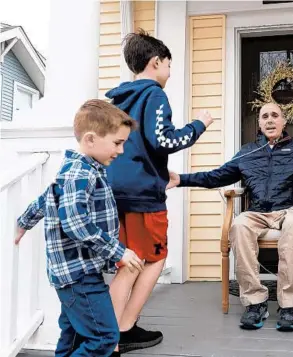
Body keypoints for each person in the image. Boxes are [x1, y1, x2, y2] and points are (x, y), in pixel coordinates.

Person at [105, 29, 214, 353]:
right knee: (152, 258)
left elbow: (134, 146)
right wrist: (199, 125)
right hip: (143, 196)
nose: (169, 72)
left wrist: (155, 169)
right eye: (168, 65)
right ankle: (121, 330)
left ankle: (111, 333)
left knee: (128, 260)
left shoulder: (120, 99)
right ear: (155, 63)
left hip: (118, 190)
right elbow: (163, 140)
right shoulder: (154, 94)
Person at [171, 102, 293, 331]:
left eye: (274, 115)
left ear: (284, 121)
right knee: (239, 225)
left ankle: (289, 306)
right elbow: (216, 176)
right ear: (259, 124)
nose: (270, 120)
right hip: (258, 211)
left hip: (291, 208)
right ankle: (255, 303)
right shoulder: (248, 152)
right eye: (264, 117)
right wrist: (181, 179)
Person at [15, 100, 143, 357]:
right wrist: (119, 252)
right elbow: (75, 223)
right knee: (105, 337)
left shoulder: (82, 170)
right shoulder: (79, 173)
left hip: (78, 273)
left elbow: (47, 198)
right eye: (118, 143)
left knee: (72, 336)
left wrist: (23, 223)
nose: (121, 150)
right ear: (91, 139)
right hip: (78, 274)